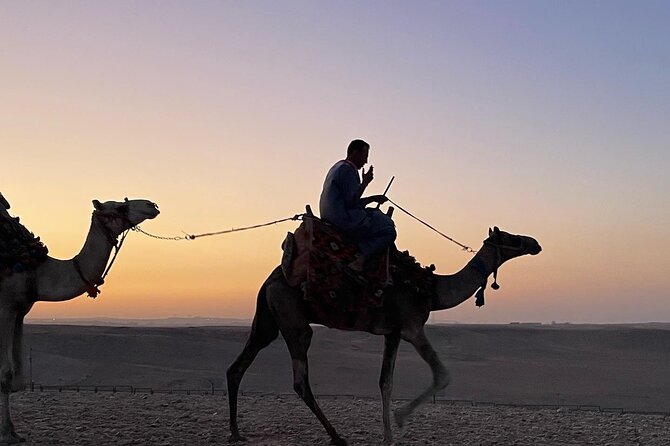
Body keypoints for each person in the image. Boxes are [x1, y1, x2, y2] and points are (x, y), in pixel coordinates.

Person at [319, 139, 397, 271]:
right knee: (389, 231)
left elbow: (349, 200)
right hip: (342, 218)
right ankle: (361, 258)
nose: (366, 161)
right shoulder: (348, 170)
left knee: (375, 214)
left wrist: (373, 198)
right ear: (355, 152)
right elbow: (352, 202)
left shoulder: (337, 167)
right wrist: (365, 182)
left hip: (334, 214)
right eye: (364, 156)